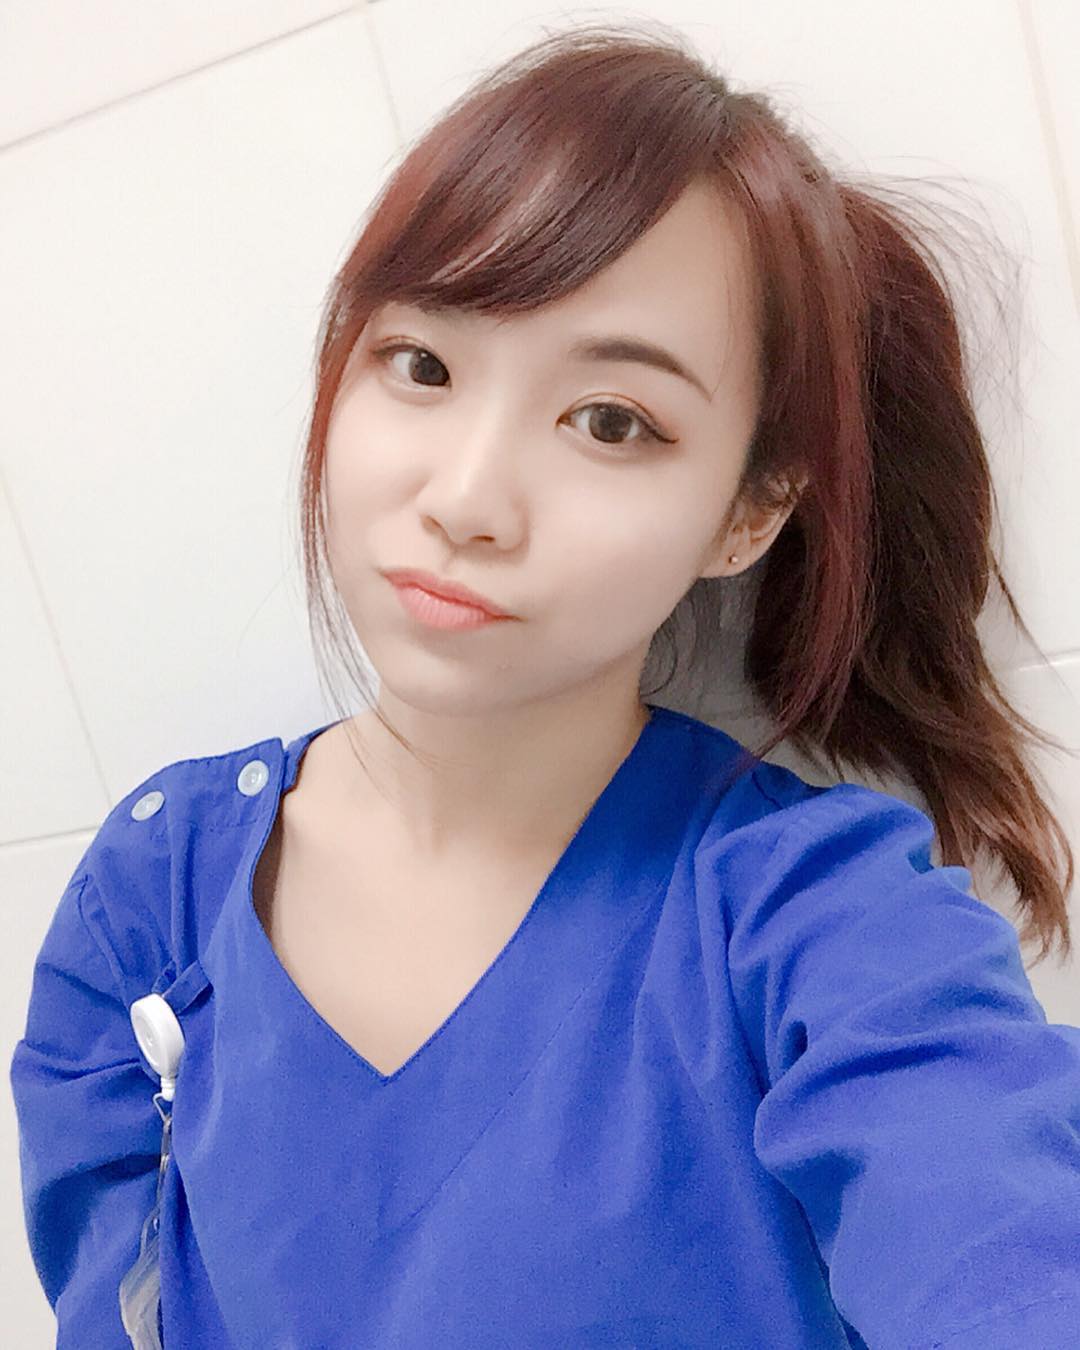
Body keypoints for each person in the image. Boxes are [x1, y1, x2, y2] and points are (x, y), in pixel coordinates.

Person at [10, 20, 1080, 1349]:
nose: (467, 498)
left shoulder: (821, 926)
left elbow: (998, 1234)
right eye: (423, 364)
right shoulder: (150, 900)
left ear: (748, 513)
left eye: (611, 421)